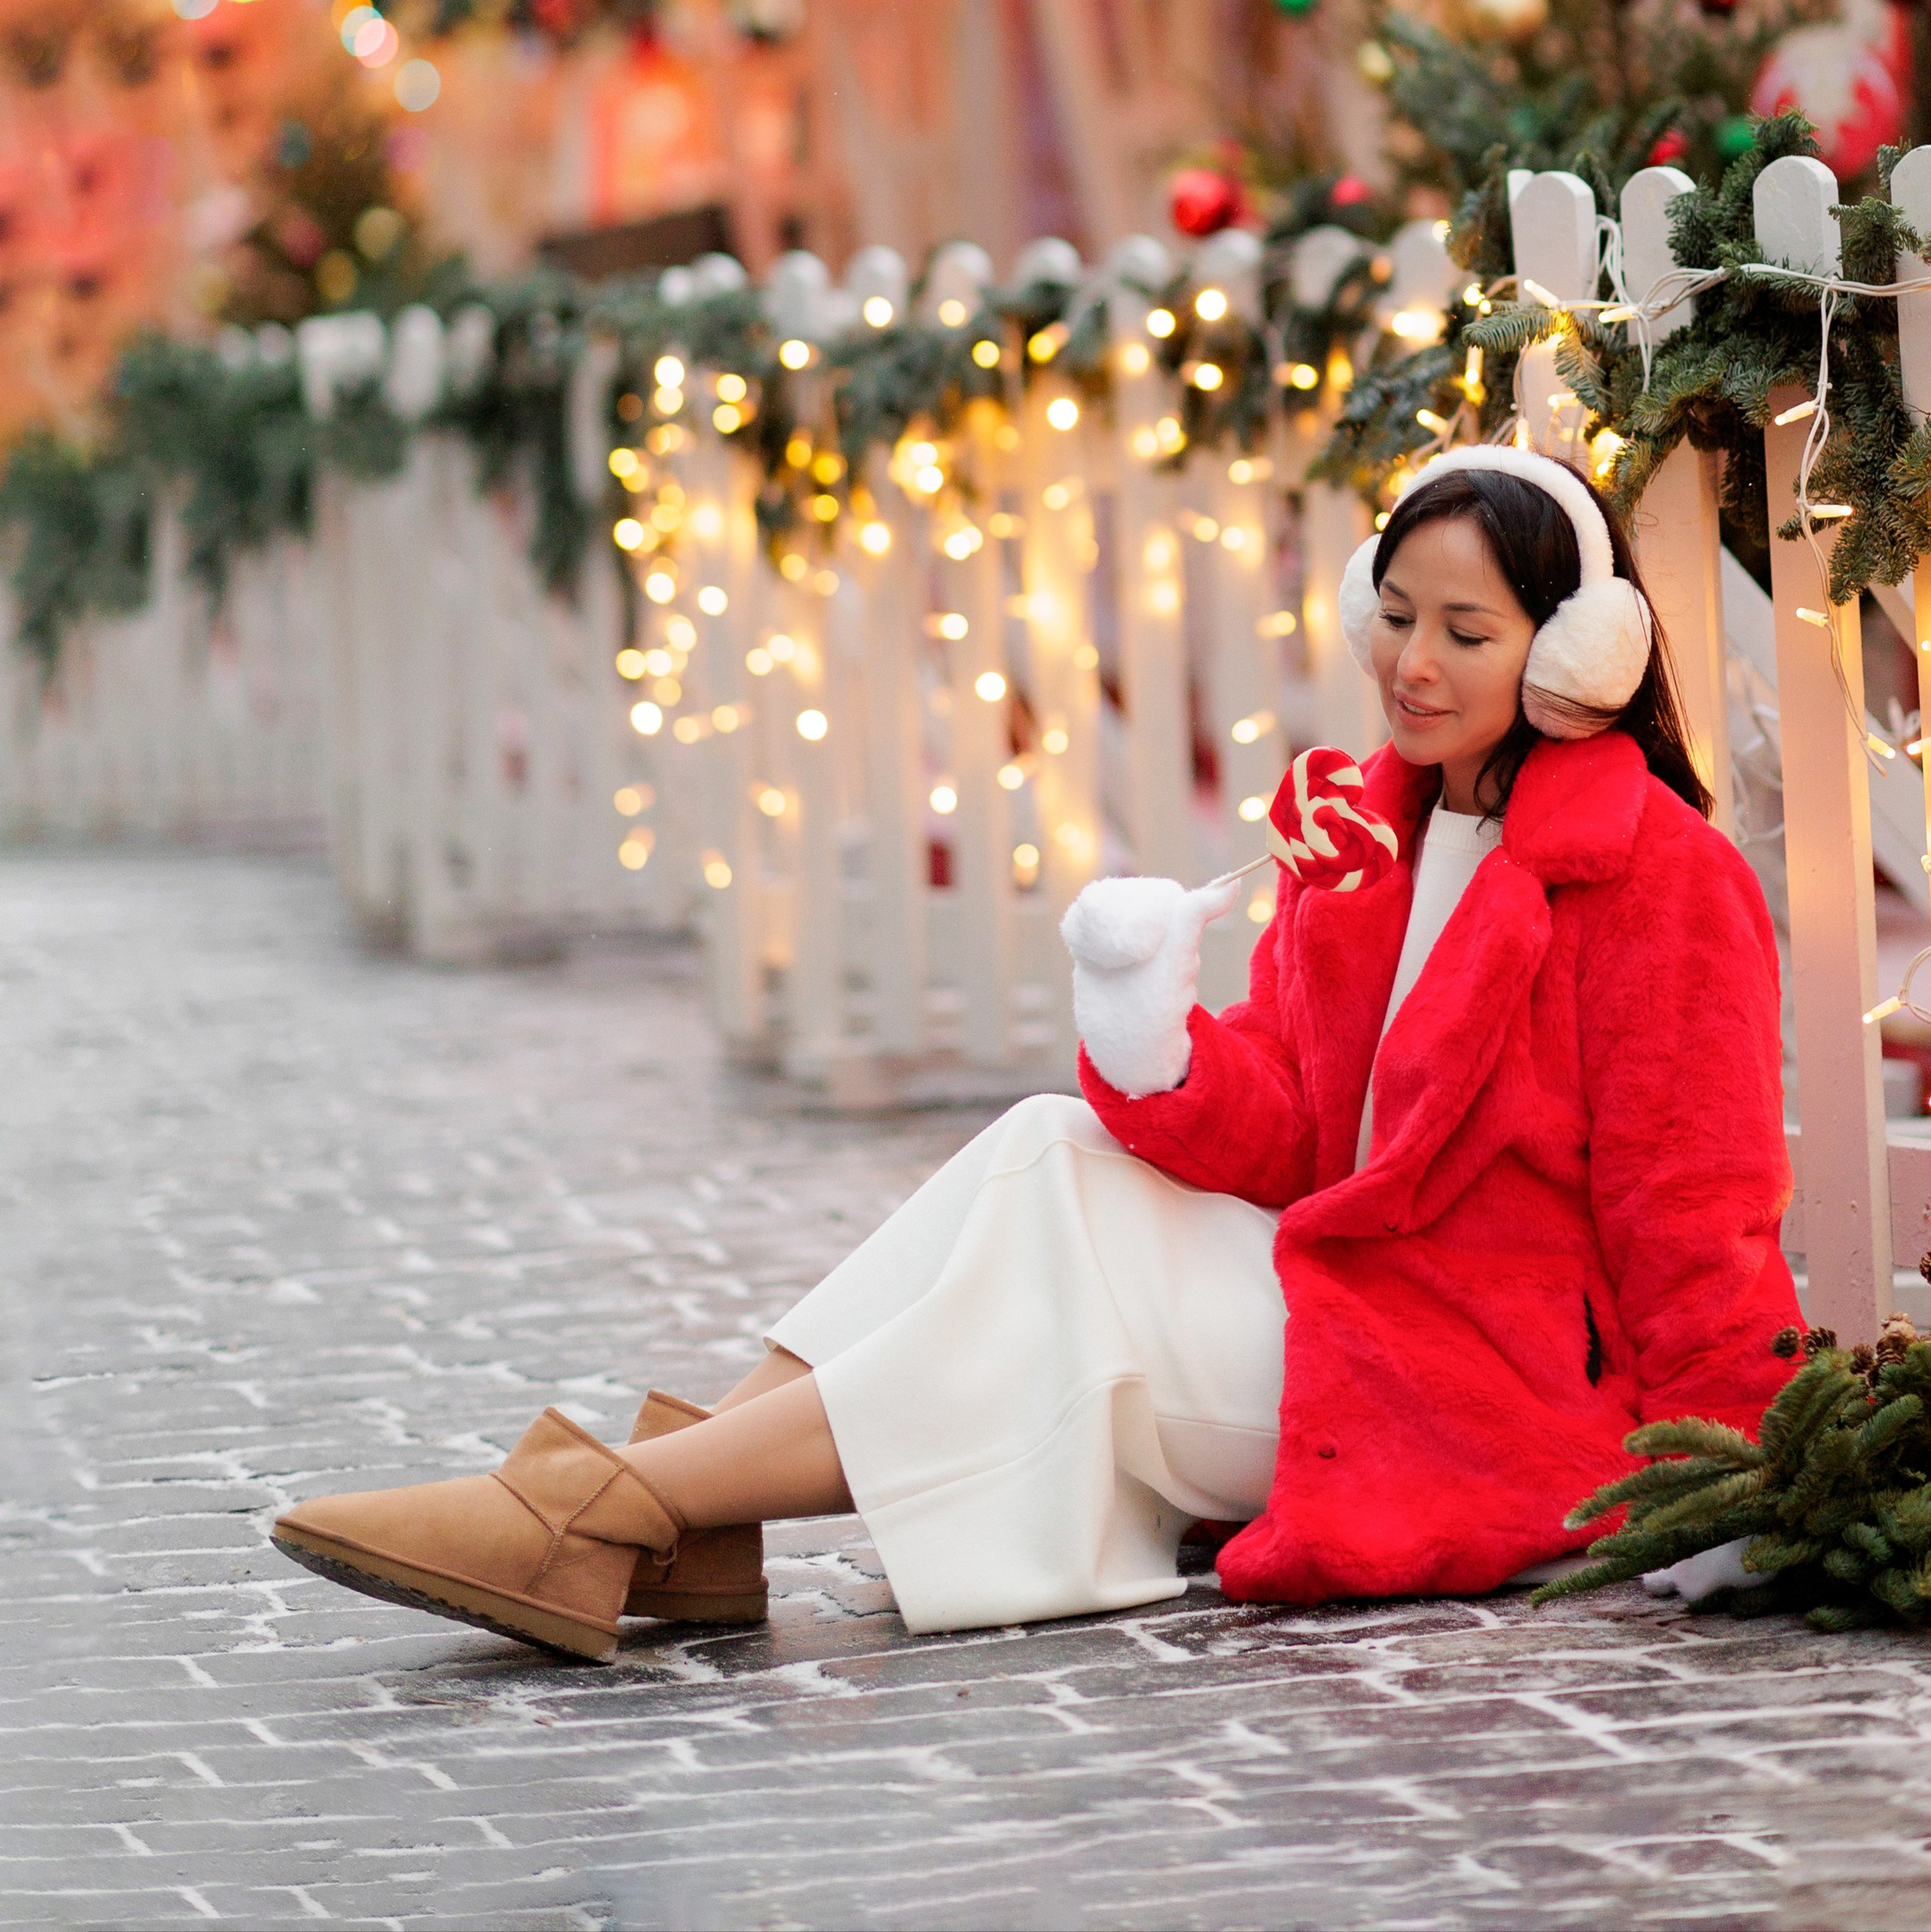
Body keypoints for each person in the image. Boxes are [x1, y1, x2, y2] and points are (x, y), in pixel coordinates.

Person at [271, 446, 1800, 1662]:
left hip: (1478, 1389)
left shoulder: (1654, 877)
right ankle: (662, 1513)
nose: (1411, 663)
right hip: (1354, 1301)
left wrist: (1721, 1471)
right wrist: (1152, 1027)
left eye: (1467, 632)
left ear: (1578, 651)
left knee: (1063, 1263)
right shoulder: (1368, 835)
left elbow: (1698, 1206)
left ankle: (619, 1510)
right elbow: (1290, 1133)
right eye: (1396, 615)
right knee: (1041, 1146)